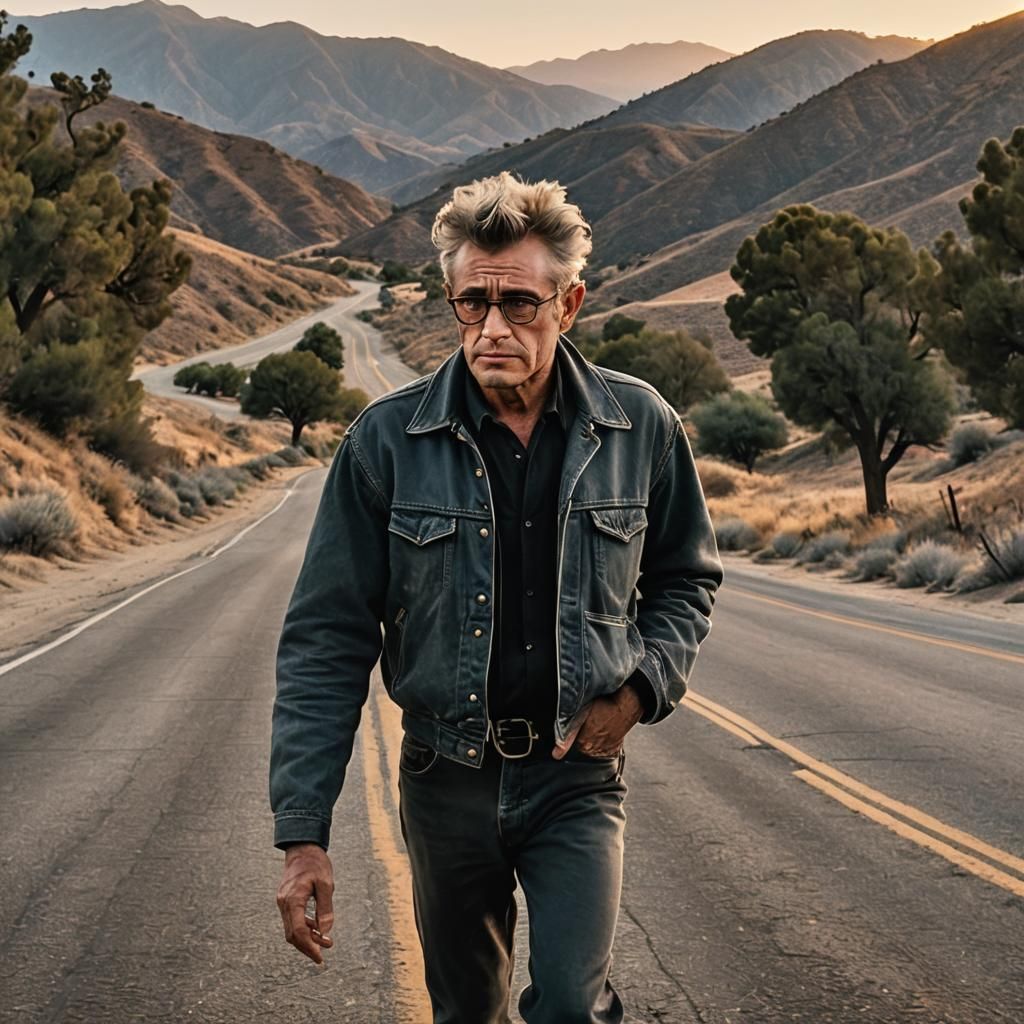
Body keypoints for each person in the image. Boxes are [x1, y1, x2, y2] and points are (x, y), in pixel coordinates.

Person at [270, 171, 723, 1023]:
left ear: (569, 304)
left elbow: (685, 579)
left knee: (571, 1006)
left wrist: (638, 691)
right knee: (465, 1011)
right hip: (445, 781)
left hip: (576, 777)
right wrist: (304, 836)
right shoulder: (386, 441)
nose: (491, 328)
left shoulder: (640, 427)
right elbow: (326, 638)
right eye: (472, 303)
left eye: (518, 303)